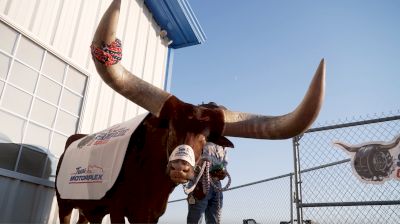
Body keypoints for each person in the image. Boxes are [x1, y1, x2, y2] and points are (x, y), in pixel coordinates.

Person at [186, 141, 232, 224]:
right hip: (199, 185)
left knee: (214, 220)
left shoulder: (223, 145)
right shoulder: (197, 139)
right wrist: (201, 166)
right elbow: (188, 164)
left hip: (216, 186)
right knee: (195, 220)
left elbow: (224, 165)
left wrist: (222, 173)